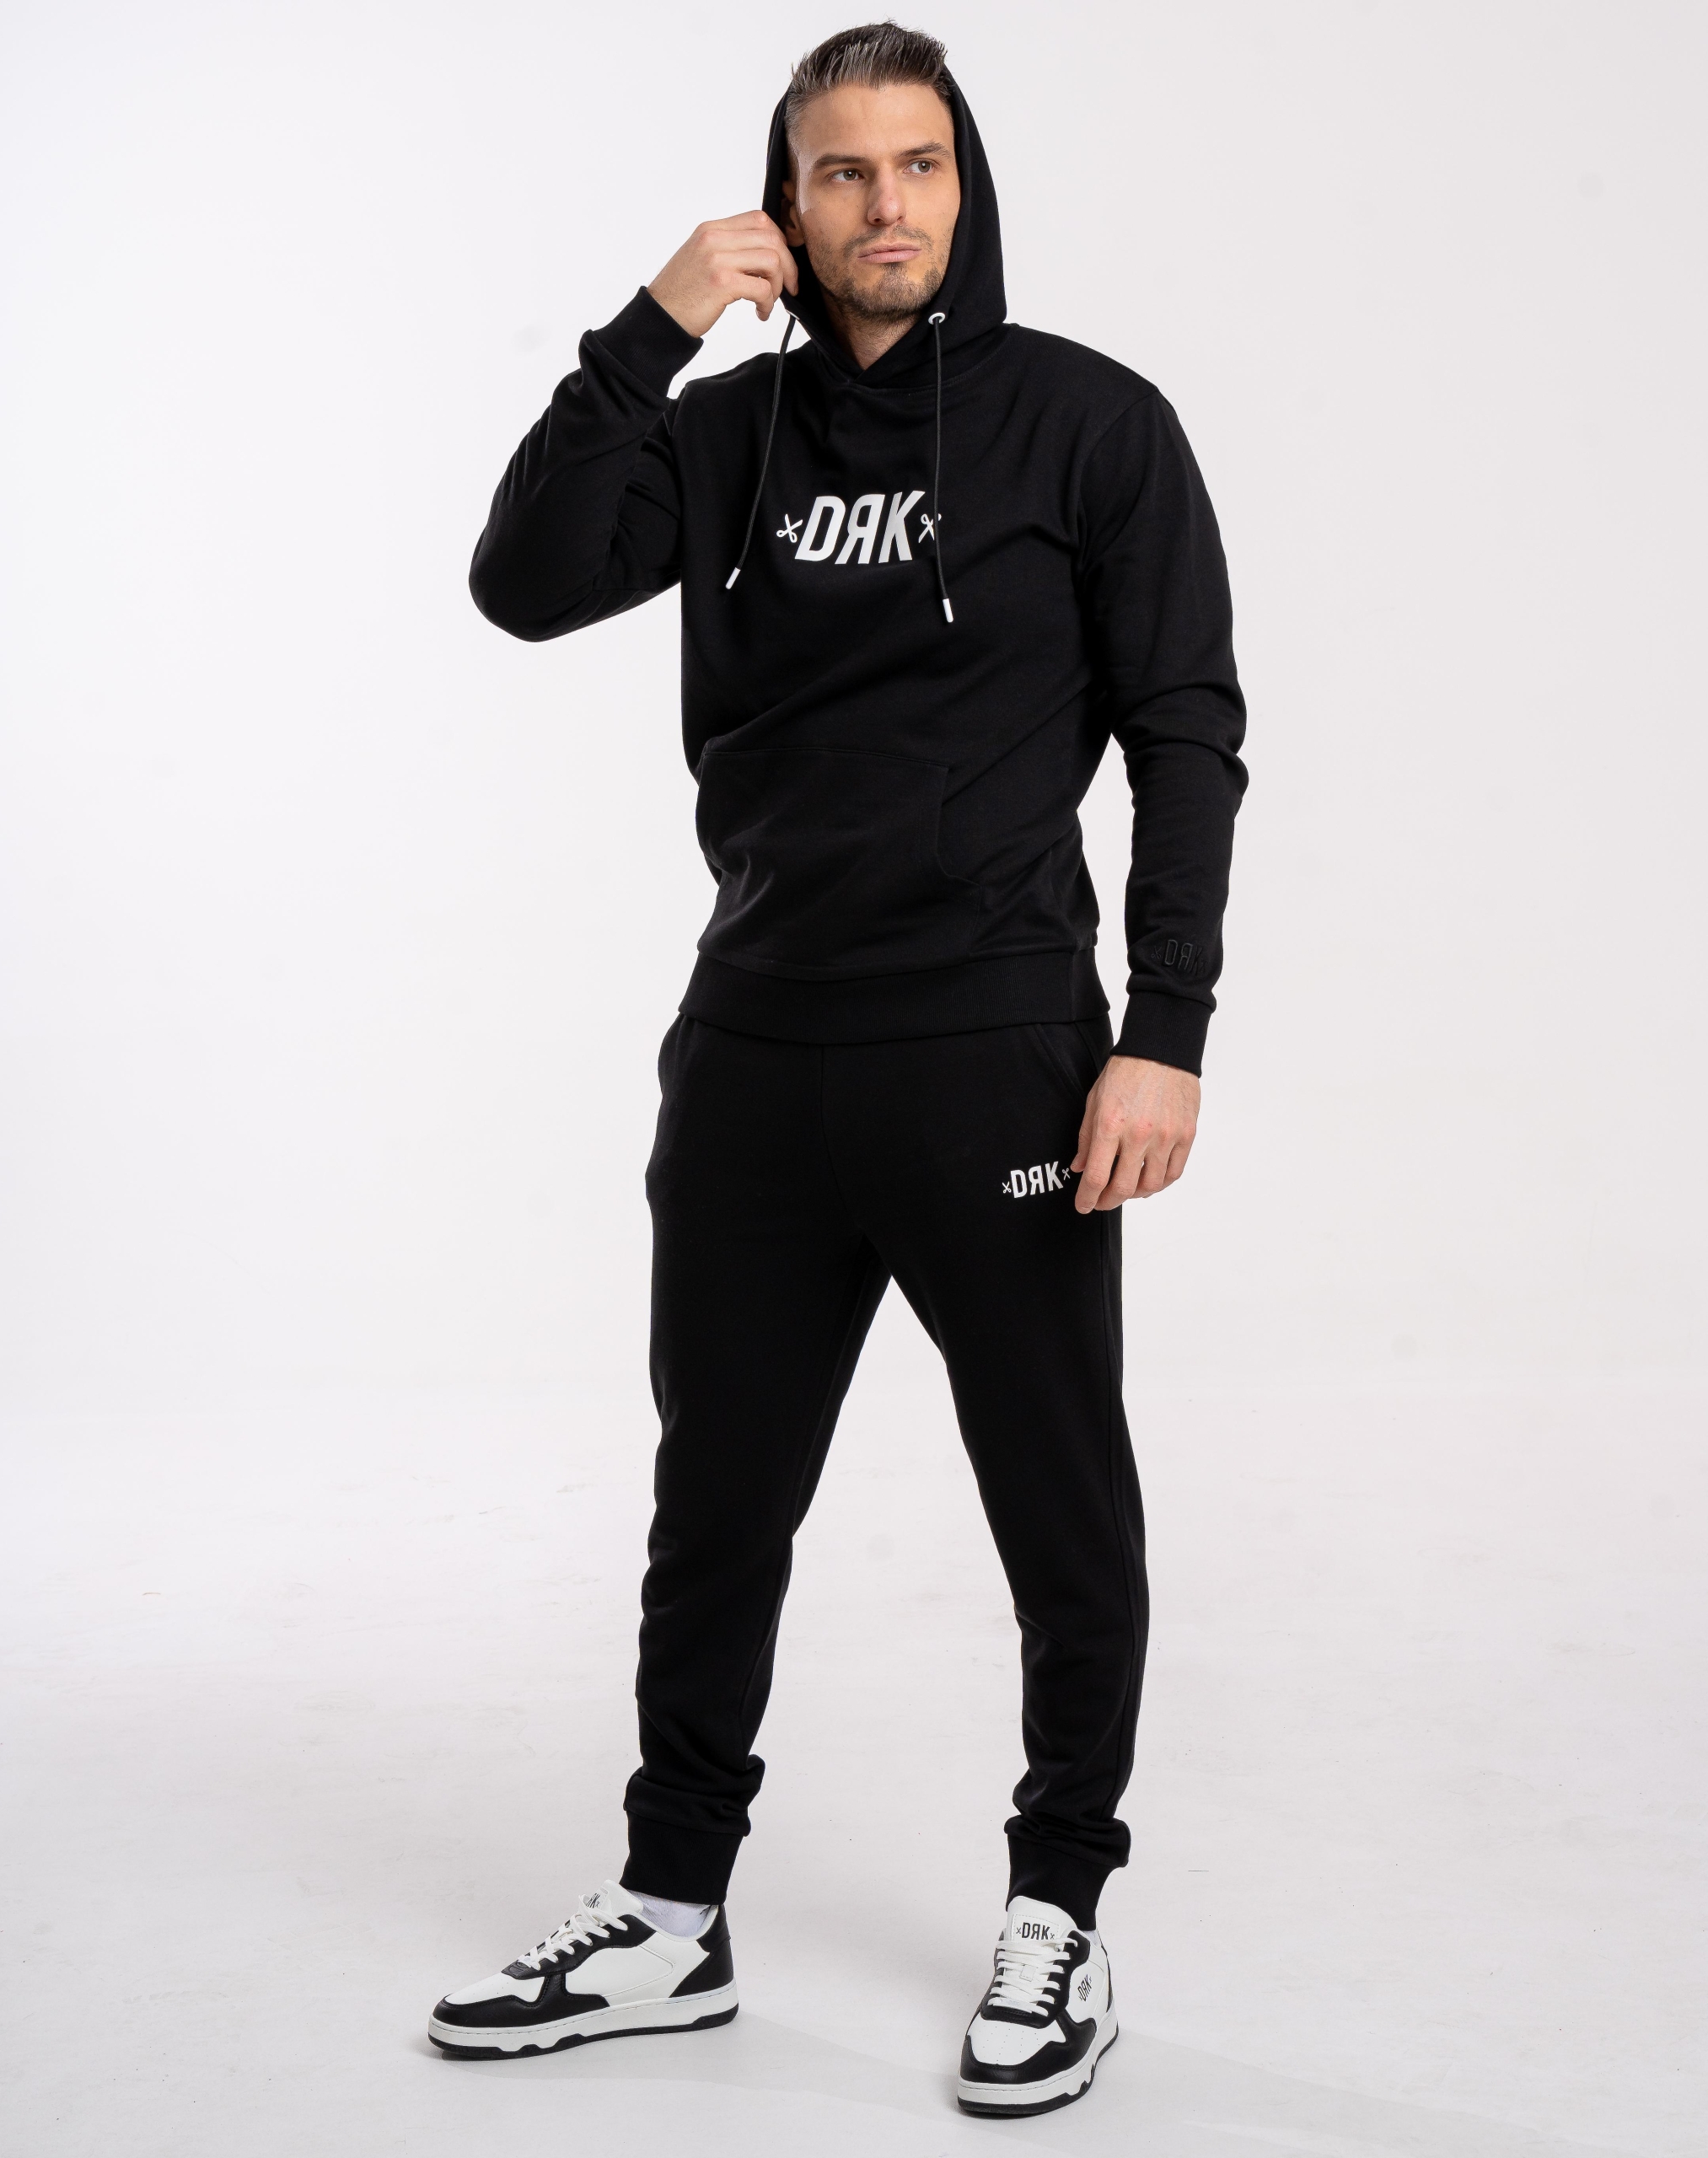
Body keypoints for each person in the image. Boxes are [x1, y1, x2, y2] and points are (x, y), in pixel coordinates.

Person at [429, 20, 1246, 2118]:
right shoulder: (724, 436)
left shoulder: (1089, 424)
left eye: (919, 164)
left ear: (965, 184)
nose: (887, 203)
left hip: (997, 1053)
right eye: (842, 170)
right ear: (784, 203)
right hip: (755, 1053)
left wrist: (1161, 1033)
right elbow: (521, 585)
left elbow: (1185, 736)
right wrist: (650, 330)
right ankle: (666, 1912)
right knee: (716, 1501)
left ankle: (1057, 1907)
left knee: (1056, 1498)